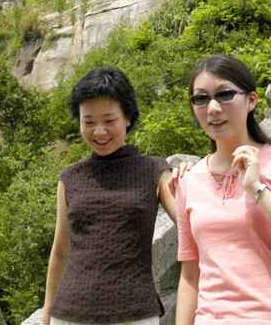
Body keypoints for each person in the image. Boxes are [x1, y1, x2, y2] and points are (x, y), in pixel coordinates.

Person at [173, 54, 271, 325]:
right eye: (201, 98)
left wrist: (258, 189)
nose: (212, 108)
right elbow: (190, 276)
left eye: (224, 94)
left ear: (251, 100)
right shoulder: (190, 181)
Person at [42, 67, 177, 325]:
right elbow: (60, 252)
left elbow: (188, 221)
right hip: (70, 314)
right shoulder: (70, 178)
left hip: (135, 314)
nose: (99, 131)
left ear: (127, 118)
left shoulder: (155, 171)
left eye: (109, 120)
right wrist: (48, 310)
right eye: (89, 122)